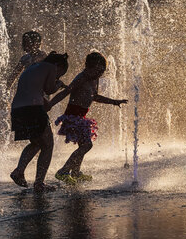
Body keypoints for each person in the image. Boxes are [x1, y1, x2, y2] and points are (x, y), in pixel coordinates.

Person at [48, 52, 127, 184]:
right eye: (98, 70)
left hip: (81, 117)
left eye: (103, 71)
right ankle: (64, 171)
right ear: (89, 67)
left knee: (83, 145)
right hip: (73, 116)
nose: (100, 74)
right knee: (86, 145)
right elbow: (66, 92)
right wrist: (50, 104)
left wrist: (114, 101)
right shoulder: (81, 78)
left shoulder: (94, 79)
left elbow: (95, 96)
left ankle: (76, 172)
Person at [9, 52, 69, 192]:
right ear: (58, 65)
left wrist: (46, 103)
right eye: (60, 73)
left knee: (37, 143)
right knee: (48, 144)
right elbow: (49, 89)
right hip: (32, 108)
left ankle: (19, 171)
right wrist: (58, 84)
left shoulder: (32, 67)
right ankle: (39, 183)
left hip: (18, 109)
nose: (58, 76)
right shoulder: (50, 67)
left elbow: (32, 90)